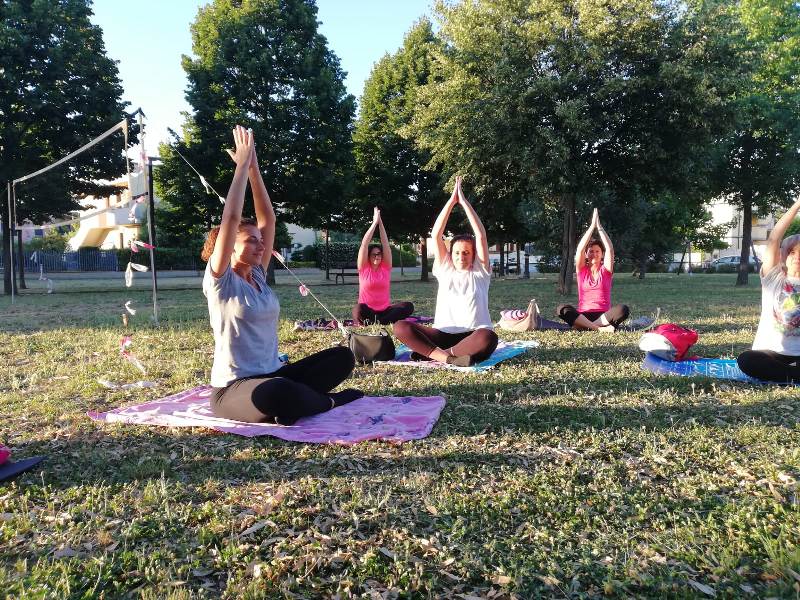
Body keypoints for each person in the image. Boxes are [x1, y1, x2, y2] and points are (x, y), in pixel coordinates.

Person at [202, 126, 362, 424]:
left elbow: (268, 219)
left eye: (259, 240)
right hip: (234, 388)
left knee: (342, 357)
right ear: (229, 245)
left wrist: (254, 167)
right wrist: (240, 166)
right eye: (251, 241)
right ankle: (327, 402)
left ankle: (296, 403)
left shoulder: (258, 276)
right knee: (277, 390)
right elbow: (231, 217)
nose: (261, 245)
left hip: (274, 373)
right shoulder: (221, 280)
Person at [393, 176, 498, 366]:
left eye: (466, 252)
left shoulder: (480, 271)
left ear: (473, 255)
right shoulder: (445, 268)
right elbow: (436, 234)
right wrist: (451, 201)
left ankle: (434, 355)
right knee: (401, 327)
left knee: (488, 338)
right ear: (451, 254)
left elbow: (481, 235)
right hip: (442, 334)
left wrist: (464, 202)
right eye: (457, 252)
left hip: (473, 335)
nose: (461, 256)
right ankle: (448, 358)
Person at [737, 196, 800, 383]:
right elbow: (774, 239)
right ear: (784, 255)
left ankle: (789, 374)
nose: (797, 257)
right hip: (770, 353)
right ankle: (792, 375)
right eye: (793, 252)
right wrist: (797, 205)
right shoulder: (773, 278)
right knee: (746, 360)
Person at [556, 208, 629, 331]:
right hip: (583, 315)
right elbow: (580, 249)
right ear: (586, 254)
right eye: (591, 251)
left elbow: (610, 249)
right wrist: (591, 227)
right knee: (562, 309)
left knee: (623, 309)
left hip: (603, 316)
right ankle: (598, 329)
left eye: (597, 251)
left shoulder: (606, 270)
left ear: (602, 254)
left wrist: (599, 227)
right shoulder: (581, 270)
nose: (594, 254)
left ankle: (586, 327)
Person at [352, 207, 414, 325]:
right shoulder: (364, 268)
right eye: (374, 254)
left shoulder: (385, 268)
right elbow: (364, 244)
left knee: (408, 306)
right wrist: (374, 223)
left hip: (385, 311)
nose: (377, 256)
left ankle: (379, 322)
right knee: (358, 309)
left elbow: (385, 244)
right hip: (368, 311)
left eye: (379, 254)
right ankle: (381, 321)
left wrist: (380, 222)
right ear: (368, 256)